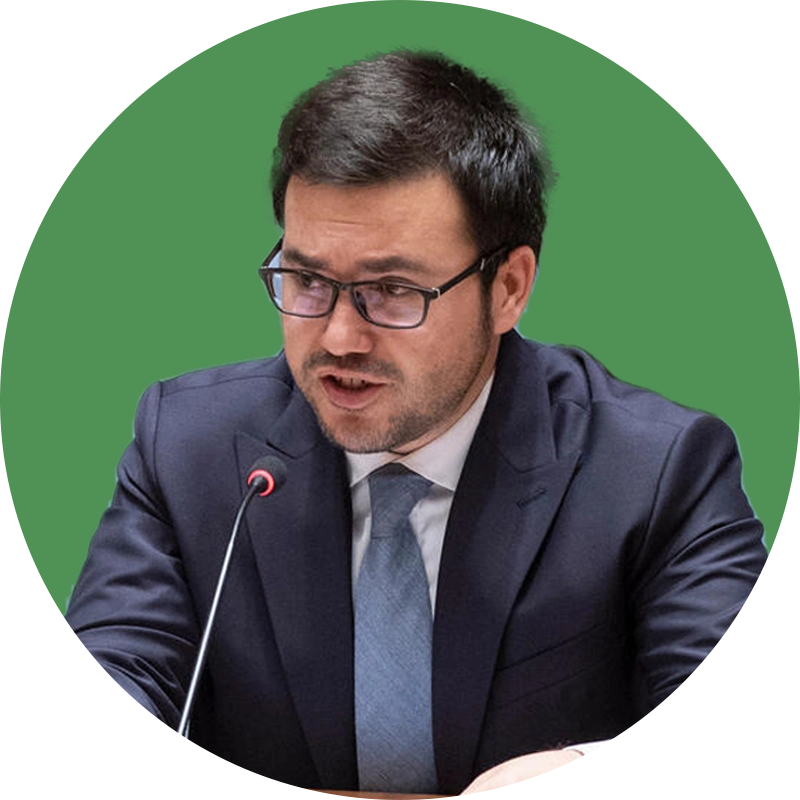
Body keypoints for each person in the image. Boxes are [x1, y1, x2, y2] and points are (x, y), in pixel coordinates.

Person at [64, 50, 767, 795]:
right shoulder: (188, 450)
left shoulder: (657, 471)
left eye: (393, 290)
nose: (339, 337)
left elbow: (742, 748)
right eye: (307, 280)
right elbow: (104, 690)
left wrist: (580, 779)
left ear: (509, 288)